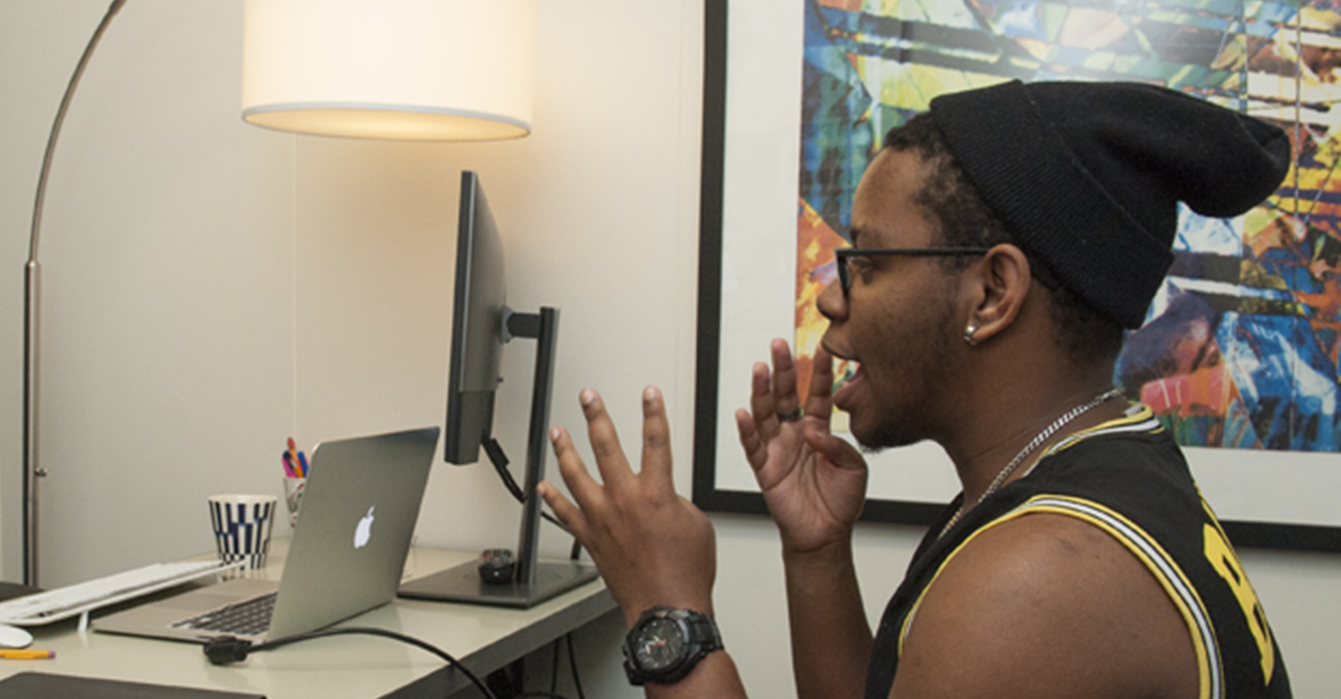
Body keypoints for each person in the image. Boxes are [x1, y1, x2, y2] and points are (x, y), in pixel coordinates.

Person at [536, 80, 1294, 698]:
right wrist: (817, 554)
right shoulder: (1092, 472)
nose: (832, 297)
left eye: (866, 260)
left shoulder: (1039, 578)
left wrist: (668, 610)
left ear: (992, 291)